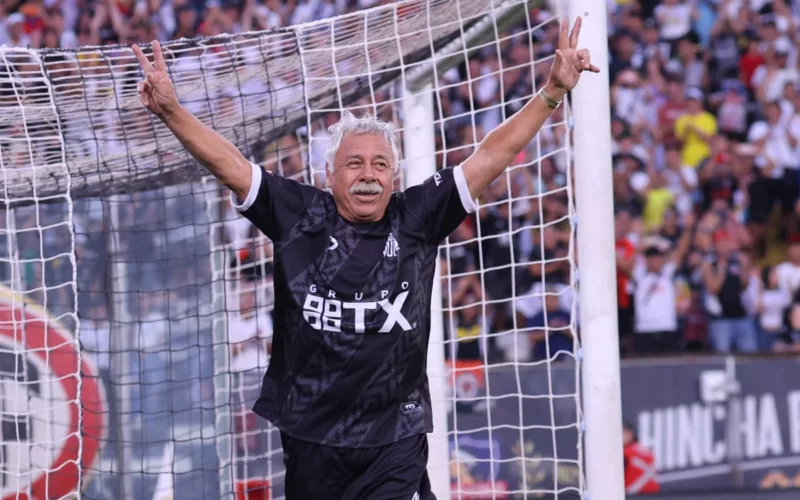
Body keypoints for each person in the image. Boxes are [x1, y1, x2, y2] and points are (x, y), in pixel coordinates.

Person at [132, 17, 599, 500]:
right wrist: (171, 111)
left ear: (395, 176)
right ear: (328, 173)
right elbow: (227, 164)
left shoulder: (416, 215)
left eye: (380, 164)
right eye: (355, 163)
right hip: (312, 434)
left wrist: (549, 94)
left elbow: (488, 157)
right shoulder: (298, 214)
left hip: (394, 435)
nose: (368, 174)